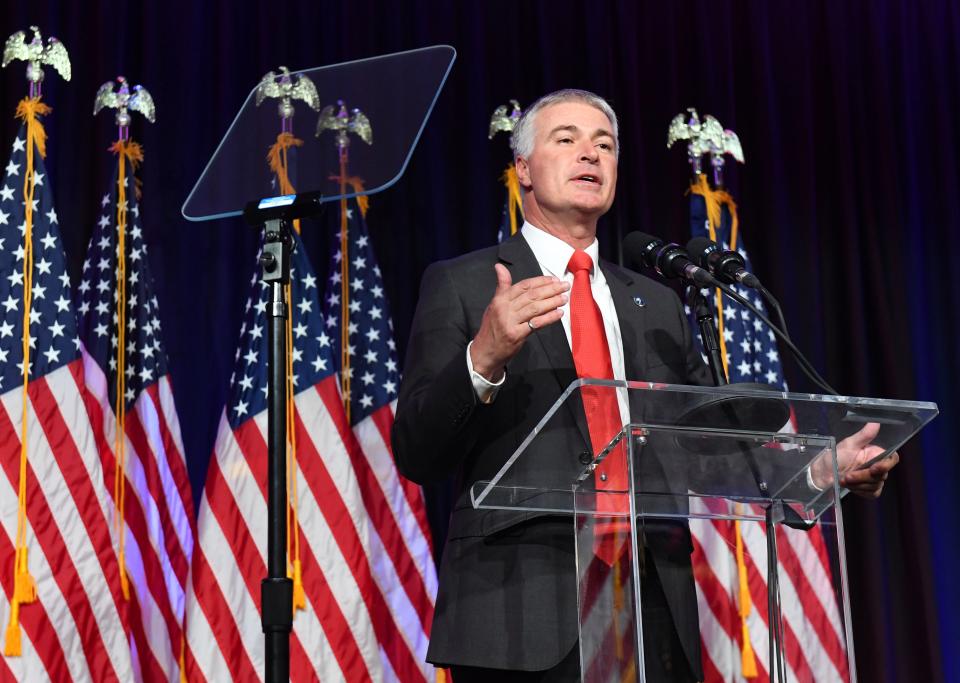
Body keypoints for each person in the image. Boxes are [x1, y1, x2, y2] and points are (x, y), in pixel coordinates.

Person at [392, 89, 897, 682]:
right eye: (567, 139)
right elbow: (418, 450)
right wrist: (486, 355)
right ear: (523, 170)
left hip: (651, 603)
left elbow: (706, 451)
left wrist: (816, 473)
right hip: (520, 613)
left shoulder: (655, 302)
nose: (591, 154)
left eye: (604, 144)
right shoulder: (466, 284)